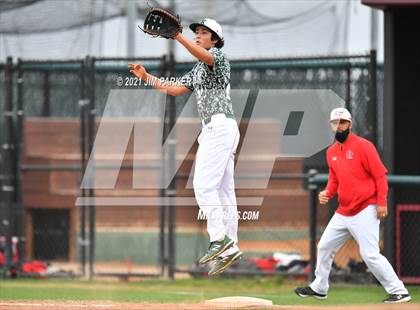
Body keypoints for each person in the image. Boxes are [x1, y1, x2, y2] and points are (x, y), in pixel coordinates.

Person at [128, 18, 241, 276]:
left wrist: (179, 37)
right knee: (225, 192)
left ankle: (219, 238)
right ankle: (231, 246)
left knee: (203, 186)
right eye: (197, 33)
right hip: (221, 130)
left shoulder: (218, 57)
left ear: (215, 40)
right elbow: (175, 89)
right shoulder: (199, 68)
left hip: (219, 129)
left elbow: (205, 56)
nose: (199, 36)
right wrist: (146, 77)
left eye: (204, 33)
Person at [294, 108, 411, 304]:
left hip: (366, 208)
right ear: (331, 126)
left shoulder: (364, 146)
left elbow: (380, 175)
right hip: (344, 211)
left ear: (350, 124)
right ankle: (320, 288)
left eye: (343, 122)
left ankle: (399, 291)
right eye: (335, 123)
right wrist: (327, 193)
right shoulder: (331, 152)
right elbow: (334, 179)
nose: (339, 126)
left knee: (370, 254)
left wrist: (382, 202)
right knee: (324, 246)